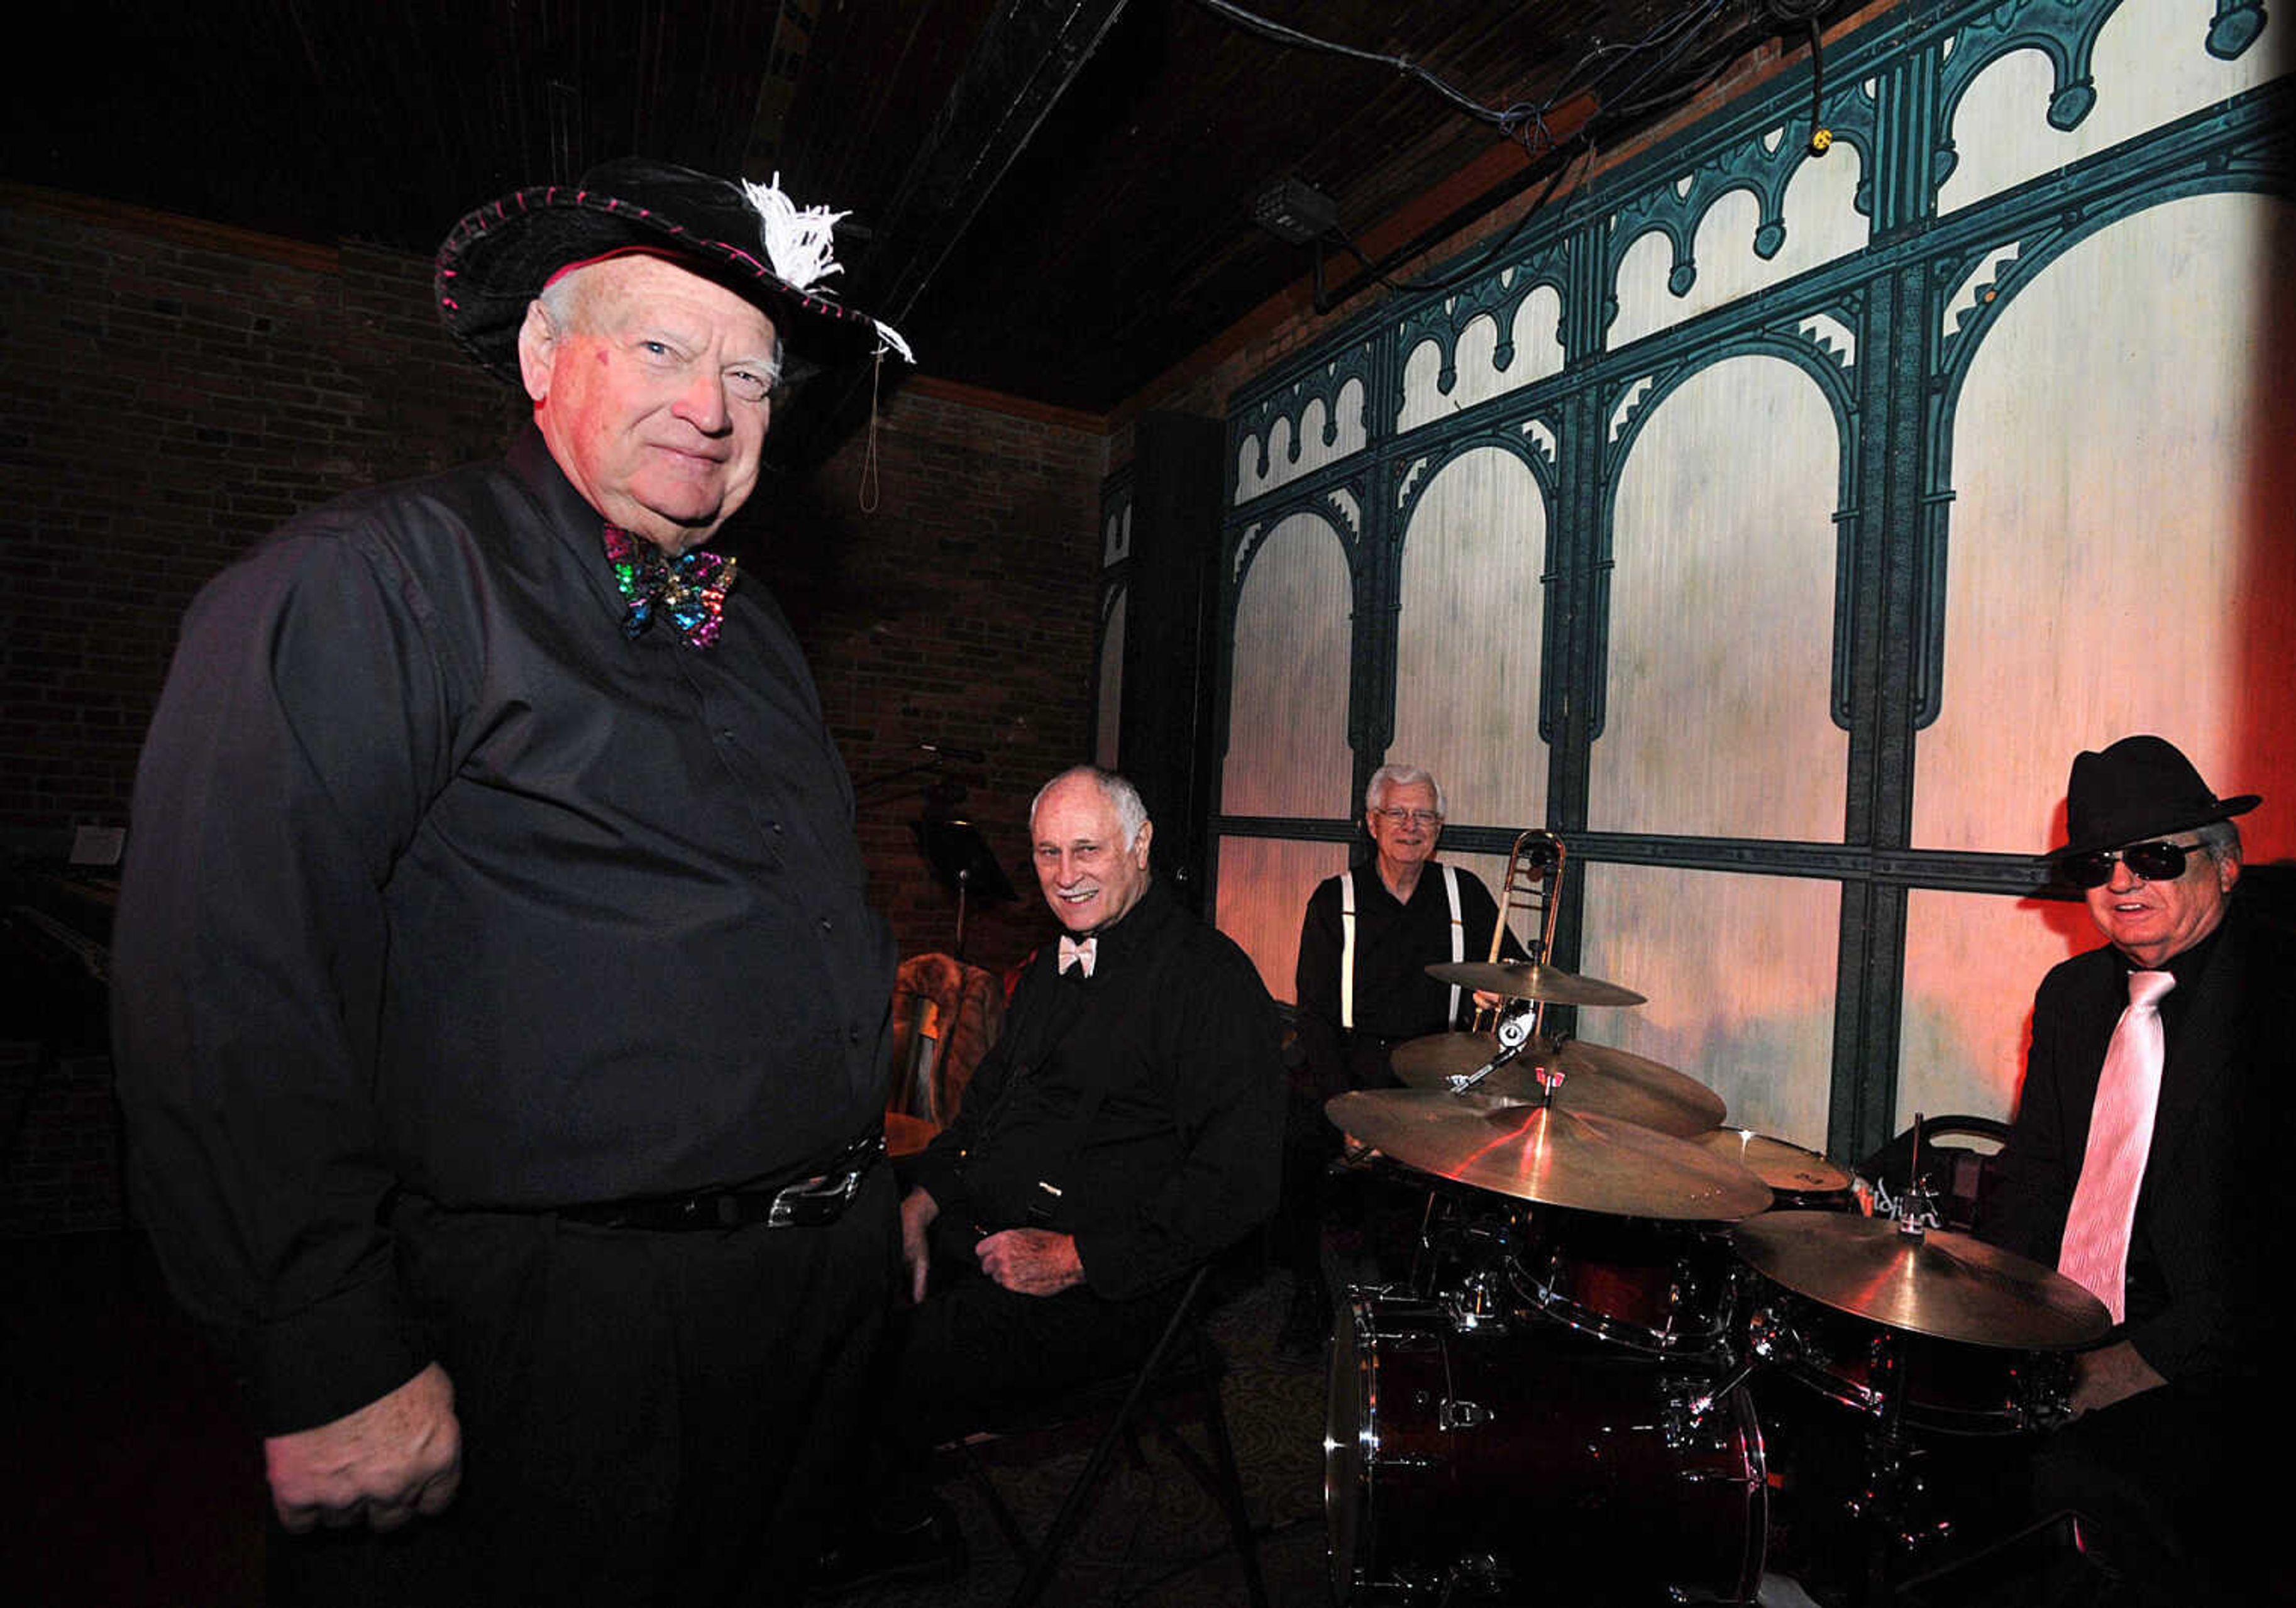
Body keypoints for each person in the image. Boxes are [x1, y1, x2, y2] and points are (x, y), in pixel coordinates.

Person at [111, 158, 913, 1605]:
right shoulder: (373, 582)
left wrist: (865, 1192)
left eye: (750, 370)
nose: (714, 405)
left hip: (802, 1309)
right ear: (544, 354)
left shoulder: (754, 630)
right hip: (565, 1334)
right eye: (661, 347)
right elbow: (221, 977)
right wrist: (325, 1338)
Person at [809, 766, 1285, 1594]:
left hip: (1109, 1282)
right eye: (1047, 853)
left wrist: (1074, 1256)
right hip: (991, 1221)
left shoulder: (1212, 982)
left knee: (877, 1359)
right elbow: (988, 1102)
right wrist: (925, 1197)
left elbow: (1239, 1182)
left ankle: (901, 1528)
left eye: (1088, 849)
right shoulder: (1055, 963)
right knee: (818, 1276)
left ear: (1140, 846)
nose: (1065, 875)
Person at [1975, 734, 2296, 1605]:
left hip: (2219, 1369)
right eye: (2100, 864)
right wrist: (1975, 1319)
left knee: (2068, 1487)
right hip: (2060, 1332)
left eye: (2154, 856)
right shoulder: (2070, 998)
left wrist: (2119, 1370)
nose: (2123, 883)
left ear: (2225, 864)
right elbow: (2034, 1176)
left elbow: (2290, 1263)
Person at [1278, 763, 1523, 1353]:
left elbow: (1515, 972)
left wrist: (1502, 990)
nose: (1411, 827)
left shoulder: (1466, 893)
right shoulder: (1334, 900)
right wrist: (1348, 1110)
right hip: (1350, 1064)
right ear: (1372, 822)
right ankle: (1308, 1291)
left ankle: (1415, 1296)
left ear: (1439, 828)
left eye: (1425, 816)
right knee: (1289, 1141)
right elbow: (1313, 1015)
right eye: (1398, 814)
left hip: (1435, 1075)